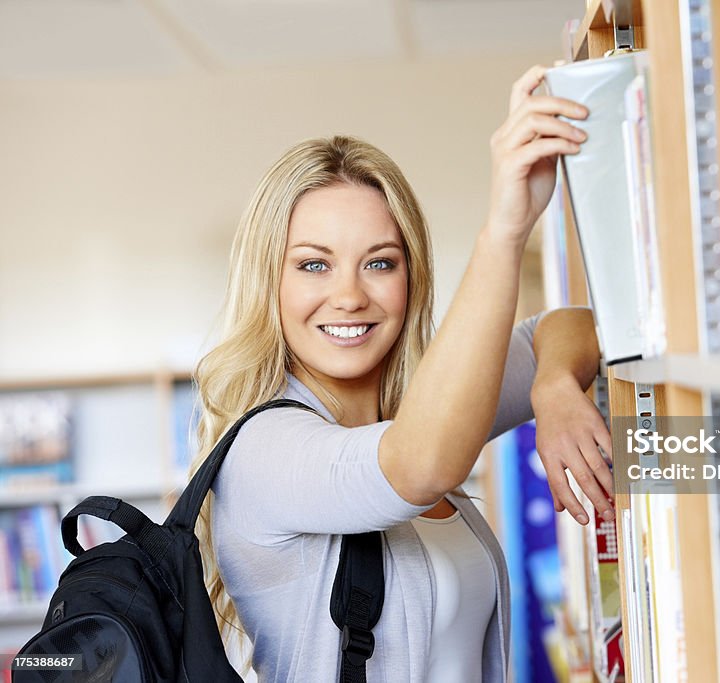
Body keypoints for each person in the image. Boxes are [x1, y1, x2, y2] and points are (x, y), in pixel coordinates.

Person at [189, 66, 616, 682]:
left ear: (409, 277)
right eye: (314, 265)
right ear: (268, 282)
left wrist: (551, 385)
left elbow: (573, 327)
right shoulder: (262, 451)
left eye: (379, 263)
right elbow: (420, 466)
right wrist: (505, 229)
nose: (349, 296)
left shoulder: (420, 409)